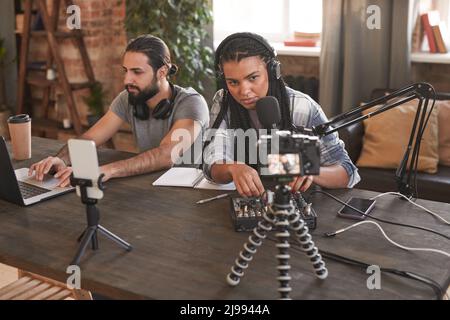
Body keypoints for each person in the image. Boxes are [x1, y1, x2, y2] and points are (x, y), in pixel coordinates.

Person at [29, 35, 209, 186]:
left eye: (137, 72)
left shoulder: (192, 103)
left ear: (162, 72)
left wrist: (106, 170)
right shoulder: (128, 98)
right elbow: (89, 139)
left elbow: (166, 155)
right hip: (149, 188)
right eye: (126, 71)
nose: (127, 79)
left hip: (190, 193)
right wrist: (61, 159)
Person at [203, 32, 360, 197]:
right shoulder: (223, 101)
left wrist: (311, 171)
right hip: (247, 203)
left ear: (272, 72)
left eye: (253, 78)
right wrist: (232, 168)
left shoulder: (302, 107)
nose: (244, 91)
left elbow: (347, 172)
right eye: (233, 82)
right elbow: (211, 163)